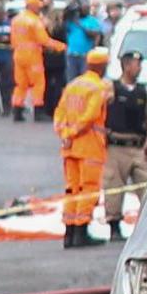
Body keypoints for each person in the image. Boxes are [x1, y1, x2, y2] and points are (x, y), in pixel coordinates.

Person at [54, 47, 111, 248]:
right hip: (89, 146)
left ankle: (69, 231)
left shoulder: (72, 85)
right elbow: (89, 116)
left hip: (69, 147)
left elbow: (59, 113)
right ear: (102, 66)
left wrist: (64, 134)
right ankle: (81, 231)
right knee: (89, 188)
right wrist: (73, 132)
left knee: (72, 188)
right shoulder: (98, 88)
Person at [100, 50, 147, 241]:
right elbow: (97, 109)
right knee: (113, 186)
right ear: (126, 65)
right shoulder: (111, 88)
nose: (138, 69)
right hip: (116, 146)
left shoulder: (142, 91)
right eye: (136, 64)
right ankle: (114, 225)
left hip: (137, 145)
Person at [9, 0, 63, 123]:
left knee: (20, 84)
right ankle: (38, 111)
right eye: (38, 7)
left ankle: (17, 110)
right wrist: (60, 46)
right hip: (32, 56)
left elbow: (12, 38)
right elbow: (44, 40)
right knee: (38, 83)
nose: (39, 9)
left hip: (18, 55)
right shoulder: (35, 21)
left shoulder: (16, 20)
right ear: (32, 6)